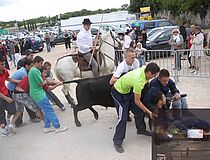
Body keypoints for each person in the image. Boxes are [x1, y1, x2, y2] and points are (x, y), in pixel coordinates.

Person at [111, 62, 160, 153]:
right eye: (154, 75)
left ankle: (141, 130)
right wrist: (149, 112)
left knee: (139, 112)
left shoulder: (144, 69)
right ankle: (117, 142)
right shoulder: (139, 81)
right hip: (118, 93)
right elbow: (137, 101)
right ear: (149, 73)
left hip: (128, 91)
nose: (153, 78)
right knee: (122, 118)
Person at [28, 56, 68, 133]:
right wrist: (47, 81)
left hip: (37, 93)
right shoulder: (35, 71)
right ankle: (57, 126)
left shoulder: (33, 70)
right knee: (49, 110)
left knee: (46, 110)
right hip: (38, 93)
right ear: (36, 63)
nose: (41, 65)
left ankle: (47, 126)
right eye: (40, 63)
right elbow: (41, 83)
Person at [0, 56, 17, 136]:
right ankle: (3, 129)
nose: (3, 66)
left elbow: (8, 78)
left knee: (13, 109)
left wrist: (17, 81)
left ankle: (8, 118)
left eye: (3, 64)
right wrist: (6, 98)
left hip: (5, 93)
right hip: (1, 96)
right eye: (1, 64)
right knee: (1, 114)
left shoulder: (5, 71)